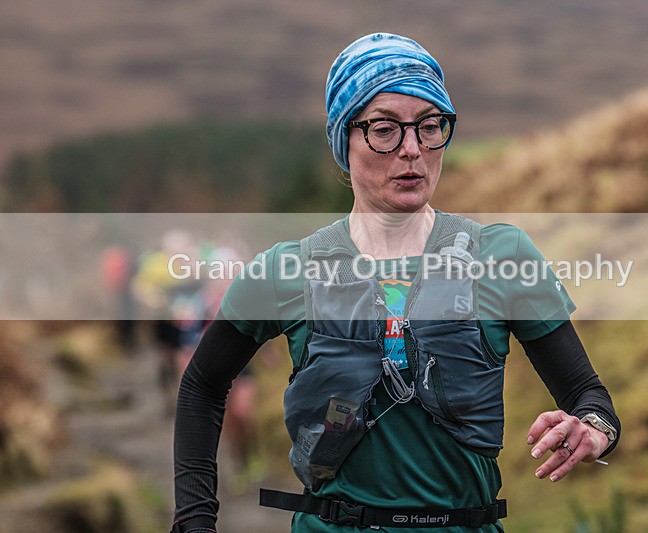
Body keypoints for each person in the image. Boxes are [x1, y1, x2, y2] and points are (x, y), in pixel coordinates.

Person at [171, 33, 620, 532]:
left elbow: (587, 394)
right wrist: (194, 520)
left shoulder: (502, 256)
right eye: (384, 129)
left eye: (429, 126)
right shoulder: (287, 270)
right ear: (344, 138)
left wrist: (593, 429)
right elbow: (202, 386)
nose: (412, 150)